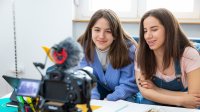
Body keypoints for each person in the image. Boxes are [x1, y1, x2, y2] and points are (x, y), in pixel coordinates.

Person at [135, 8, 200, 108]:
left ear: (169, 30)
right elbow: (145, 91)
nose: (148, 36)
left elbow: (195, 100)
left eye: (154, 29)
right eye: (145, 31)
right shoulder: (141, 52)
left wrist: (157, 90)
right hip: (154, 102)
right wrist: (181, 99)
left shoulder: (189, 55)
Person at [78, 9, 138, 101]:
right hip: (98, 91)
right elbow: (85, 78)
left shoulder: (128, 49)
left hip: (124, 94)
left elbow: (128, 85)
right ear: (91, 31)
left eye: (108, 31)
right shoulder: (84, 47)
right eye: (97, 30)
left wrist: (110, 100)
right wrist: (94, 100)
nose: (101, 36)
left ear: (115, 34)